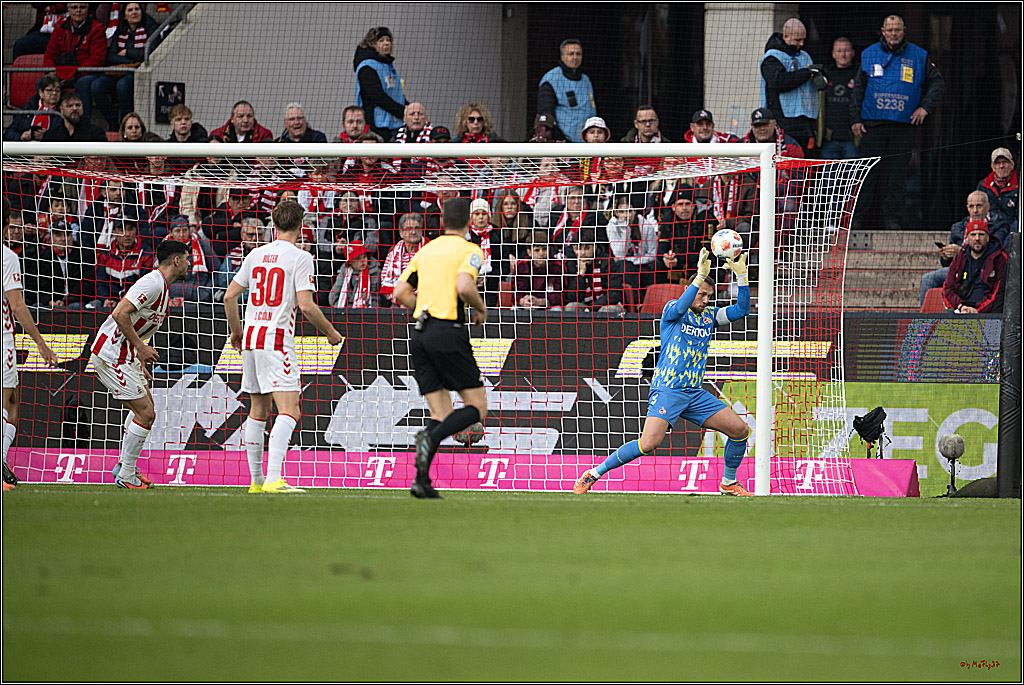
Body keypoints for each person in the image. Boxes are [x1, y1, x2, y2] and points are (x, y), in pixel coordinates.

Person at [574, 248, 754, 496]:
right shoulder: (672, 311)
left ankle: (728, 482)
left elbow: (741, 310)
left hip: (694, 392)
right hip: (668, 390)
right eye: (701, 294)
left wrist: (742, 277)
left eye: (708, 296)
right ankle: (593, 473)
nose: (705, 300)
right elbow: (681, 307)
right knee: (648, 443)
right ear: (691, 291)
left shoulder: (709, 316)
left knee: (740, 431)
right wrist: (699, 277)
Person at [223, 200, 343, 494]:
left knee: (257, 410)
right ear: (301, 227)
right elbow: (306, 305)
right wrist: (330, 332)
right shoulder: (301, 258)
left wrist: (237, 333)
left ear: (273, 225)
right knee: (289, 410)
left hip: (250, 338)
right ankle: (274, 479)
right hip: (276, 339)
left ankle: (256, 482)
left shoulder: (255, 254)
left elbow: (228, 297)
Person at [393, 197, 488, 499]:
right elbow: (464, 287)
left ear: (442, 222)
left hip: (421, 334)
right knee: (477, 409)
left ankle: (421, 480)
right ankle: (428, 438)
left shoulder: (426, 250)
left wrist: (421, 309)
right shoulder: (470, 250)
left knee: (441, 412)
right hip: (449, 331)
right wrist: (480, 308)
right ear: (469, 223)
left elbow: (399, 292)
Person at [95, 239, 191, 488]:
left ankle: (123, 466)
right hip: (111, 354)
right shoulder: (152, 283)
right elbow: (119, 313)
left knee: (144, 410)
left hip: (125, 356)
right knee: (146, 413)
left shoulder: (163, 287)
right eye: (187, 259)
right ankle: (126, 475)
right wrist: (140, 347)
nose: (190, 264)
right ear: (177, 260)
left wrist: (137, 358)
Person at [850, 14, 945, 230]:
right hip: (872, 124)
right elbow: (858, 89)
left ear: (904, 32)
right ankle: (856, 219)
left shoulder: (919, 55)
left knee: (898, 175)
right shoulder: (869, 53)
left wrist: (925, 107)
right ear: (883, 31)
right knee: (866, 173)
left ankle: (893, 219)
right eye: (890, 30)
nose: (894, 34)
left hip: (903, 125)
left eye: (898, 30)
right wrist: (855, 119)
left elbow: (938, 83)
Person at [3, 197, 60, 490]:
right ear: (8, 222)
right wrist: (40, 343)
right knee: (6, 402)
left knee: (11, 401)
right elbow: (17, 305)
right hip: (2, 339)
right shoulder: (7, 256)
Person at [919, 191, 1011, 305]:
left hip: (984, 269)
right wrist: (946, 255)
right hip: (959, 269)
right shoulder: (958, 227)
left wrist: (962, 251)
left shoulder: (1000, 225)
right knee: (927, 279)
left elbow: (995, 251)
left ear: (988, 207)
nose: (975, 210)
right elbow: (945, 264)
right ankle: (924, 320)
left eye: (979, 206)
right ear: (967, 208)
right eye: (971, 206)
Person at [89, 1, 162, 131]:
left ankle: (125, 123)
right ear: (124, 16)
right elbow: (111, 56)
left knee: (122, 85)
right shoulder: (121, 29)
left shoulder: (150, 26)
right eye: (130, 10)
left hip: (139, 72)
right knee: (96, 86)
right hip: (120, 70)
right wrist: (132, 58)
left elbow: (150, 53)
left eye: (137, 9)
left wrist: (127, 52)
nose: (134, 12)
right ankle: (112, 123)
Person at [759, 18, 824, 153]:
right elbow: (779, 82)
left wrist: (820, 75)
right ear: (786, 36)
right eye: (797, 40)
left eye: (803, 39)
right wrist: (807, 73)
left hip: (805, 120)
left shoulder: (804, 55)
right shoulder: (772, 58)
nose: (801, 44)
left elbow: (815, 70)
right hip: (782, 120)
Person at [43, 2, 106, 124]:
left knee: (83, 83)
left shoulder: (97, 28)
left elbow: (97, 59)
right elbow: (50, 53)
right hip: (62, 73)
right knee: (43, 83)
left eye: (82, 7)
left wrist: (74, 75)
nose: (78, 10)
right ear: (68, 10)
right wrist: (52, 73)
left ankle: (84, 124)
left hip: (85, 74)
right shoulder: (60, 27)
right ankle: (44, 122)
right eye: (74, 7)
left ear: (87, 9)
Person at [682, 109, 741, 229]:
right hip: (695, 197)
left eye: (707, 124)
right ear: (692, 127)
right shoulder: (682, 149)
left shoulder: (727, 141)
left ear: (713, 126)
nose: (704, 128)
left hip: (723, 195)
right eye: (700, 124)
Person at [537, 39, 596, 144]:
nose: (575, 57)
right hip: (563, 144)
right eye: (570, 54)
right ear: (562, 56)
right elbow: (546, 113)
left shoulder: (586, 80)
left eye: (578, 54)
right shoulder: (551, 79)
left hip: (588, 142)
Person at [941, 220, 1006, 314]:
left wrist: (978, 310)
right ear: (967, 238)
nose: (977, 238)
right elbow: (948, 288)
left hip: (987, 312)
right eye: (973, 234)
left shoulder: (999, 258)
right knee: (945, 316)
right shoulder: (960, 256)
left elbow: (998, 292)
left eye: (981, 234)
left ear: (988, 238)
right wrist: (961, 306)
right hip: (962, 309)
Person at [353, 26, 406, 140]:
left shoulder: (388, 65)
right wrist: (402, 112)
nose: (386, 43)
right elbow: (377, 96)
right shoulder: (367, 67)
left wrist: (410, 108)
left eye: (388, 40)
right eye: (381, 40)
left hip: (395, 123)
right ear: (373, 44)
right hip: (376, 125)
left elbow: (397, 94)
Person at [562, 228, 624, 314]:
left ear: (594, 247)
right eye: (578, 249)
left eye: (587, 248)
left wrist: (592, 308)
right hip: (585, 305)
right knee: (571, 307)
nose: (582, 253)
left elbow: (614, 294)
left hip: (607, 305)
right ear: (573, 248)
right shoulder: (571, 264)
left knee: (606, 311)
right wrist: (581, 274)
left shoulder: (607, 262)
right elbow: (572, 297)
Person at [606, 194, 658, 291]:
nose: (626, 215)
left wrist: (634, 261)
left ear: (635, 211)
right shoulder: (612, 226)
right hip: (623, 266)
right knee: (624, 267)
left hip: (642, 264)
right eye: (622, 212)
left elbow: (653, 254)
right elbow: (619, 254)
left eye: (630, 211)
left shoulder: (646, 226)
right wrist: (626, 230)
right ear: (616, 213)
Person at [821, 37, 860, 160]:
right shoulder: (825, 75)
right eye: (839, 51)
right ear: (833, 54)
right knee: (829, 177)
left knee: (852, 178)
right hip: (829, 139)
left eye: (846, 50)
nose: (843, 54)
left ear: (853, 53)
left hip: (852, 138)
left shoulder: (859, 75)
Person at [166, 215, 215, 303]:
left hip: (199, 295)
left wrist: (207, 292)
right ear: (171, 232)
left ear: (189, 231)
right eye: (177, 231)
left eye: (185, 230)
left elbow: (215, 270)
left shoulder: (202, 245)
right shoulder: (163, 248)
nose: (181, 234)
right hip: (172, 295)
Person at [380, 213, 426, 306]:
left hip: (424, 302)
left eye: (417, 228)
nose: (413, 232)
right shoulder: (393, 253)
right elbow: (384, 277)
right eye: (409, 229)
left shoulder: (429, 250)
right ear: (401, 233)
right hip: (397, 302)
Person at [512, 230, 565, 310]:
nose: (541, 253)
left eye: (544, 249)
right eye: (537, 250)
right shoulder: (521, 265)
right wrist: (523, 301)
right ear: (529, 252)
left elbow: (561, 295)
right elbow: (517, 292)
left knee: (557, 309)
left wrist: (541, 302)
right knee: (514, 309)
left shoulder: (558, 266)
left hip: (548, 305)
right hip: (527, 306)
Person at [4, 73, 63, 141]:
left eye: (57, 90)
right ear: (41, 93)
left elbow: (68, 136)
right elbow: (8, 132)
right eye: (50, 90)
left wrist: (46, 136)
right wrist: (21, 136)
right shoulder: (27, 109)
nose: (54, 93)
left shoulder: (64, 110)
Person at [329, 240, 381, 308]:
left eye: (364, 257)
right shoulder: (344, 272)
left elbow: (377, 298)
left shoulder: (375, 272)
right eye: (358, 259)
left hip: (369, 311)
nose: (363, 261)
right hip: (346, 310)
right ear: (350, 262)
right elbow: (333, 296)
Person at [41, 90, 106, 143]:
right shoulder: (50, 136)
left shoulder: (97, 133)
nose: (74, 108)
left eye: (77, 105)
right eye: (69, 106)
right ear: (61, 110)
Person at [977, 147, 1018, 224]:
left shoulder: (1020, 185)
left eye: (1005, 162)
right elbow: (977, 213)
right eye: (997, 163)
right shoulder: (983, 185)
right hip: (990, 228)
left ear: (1012, 164)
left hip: (1011, 229)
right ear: (992, 166)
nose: (1001, 166)